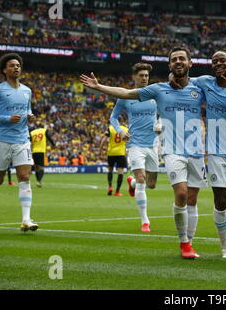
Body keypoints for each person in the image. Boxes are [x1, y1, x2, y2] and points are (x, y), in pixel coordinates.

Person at [81, 47, 207, 259]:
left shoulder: (199, 86)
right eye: (174, 59)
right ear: (169, 65)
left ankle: (190, 241)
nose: (178, 61)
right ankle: (180, 240)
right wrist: (98, 86)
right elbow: (126, 93)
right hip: (161, 148)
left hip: (181, 147)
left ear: (190, 62)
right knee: (182, 194)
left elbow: (220, 89)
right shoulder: (157, 90)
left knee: (168, 190)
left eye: (181, 58)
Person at [182, 51, 226, 259]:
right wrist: (172, 77)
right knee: (221, 202)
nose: (218, 64)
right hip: (216, 154)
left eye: (222, 60)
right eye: (214, 61)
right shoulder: (205, 82)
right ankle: (225, 246)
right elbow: (184, 80)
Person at [0, 53, 38, 231]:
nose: (16, 68)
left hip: (22, 140)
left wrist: (29, 114)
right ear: (4, 70)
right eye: (12, 65)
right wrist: (6, 118)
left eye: (18, 65)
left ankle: (26, 220)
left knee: (25, 177)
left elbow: (27, 108)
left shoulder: (27, 90)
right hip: (3, 140)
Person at [109, 62, 160, 232]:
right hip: (135, 143)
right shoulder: (126, 96)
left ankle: (130, 184)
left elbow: (166, 113)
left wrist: (161, 123)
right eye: (141, 75)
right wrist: (120, 132)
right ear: (134, 77)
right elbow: (113, 118)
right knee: (141, 179)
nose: (145, 78)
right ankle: (145, 221)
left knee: (151, 184)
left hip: (153, 144)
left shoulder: (155, 95)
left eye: (147, 76)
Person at [99, 125, 128, 196]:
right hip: (121, 153)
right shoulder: (126, 129)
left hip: (111, 152)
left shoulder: (111, 128)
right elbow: (129, 140)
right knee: (120, 172)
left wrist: (101, 149)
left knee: (110, 170)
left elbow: (104, 139)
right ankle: (117, 191)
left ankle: (110, 187)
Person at [30, 122, 55, 187]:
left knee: (36, 167)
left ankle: (38, 181)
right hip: (41, 151)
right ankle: (39, 181)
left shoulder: (32, 132)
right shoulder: (43, 131)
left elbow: (29, 142)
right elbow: (49, 138)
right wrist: (53, 144)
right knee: (41, 168)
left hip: (34, 151)